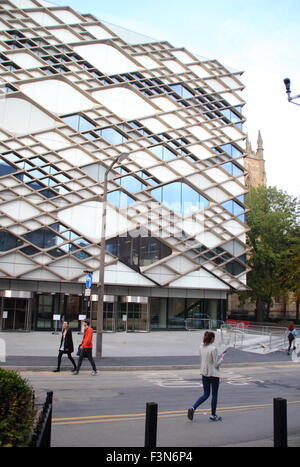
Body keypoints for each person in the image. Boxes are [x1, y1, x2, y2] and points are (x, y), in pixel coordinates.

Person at [187, 331, 224, 422]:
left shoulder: (201, 347)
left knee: (206, 394)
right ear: (212, 339)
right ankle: (213, 415)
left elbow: (202, 359)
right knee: (214, 394)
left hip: (204, 373)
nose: (214, 339)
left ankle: (193, 407)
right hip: (213, 374)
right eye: (214, 338)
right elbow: (216, 364)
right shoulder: (213, 348)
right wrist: (222, 358)